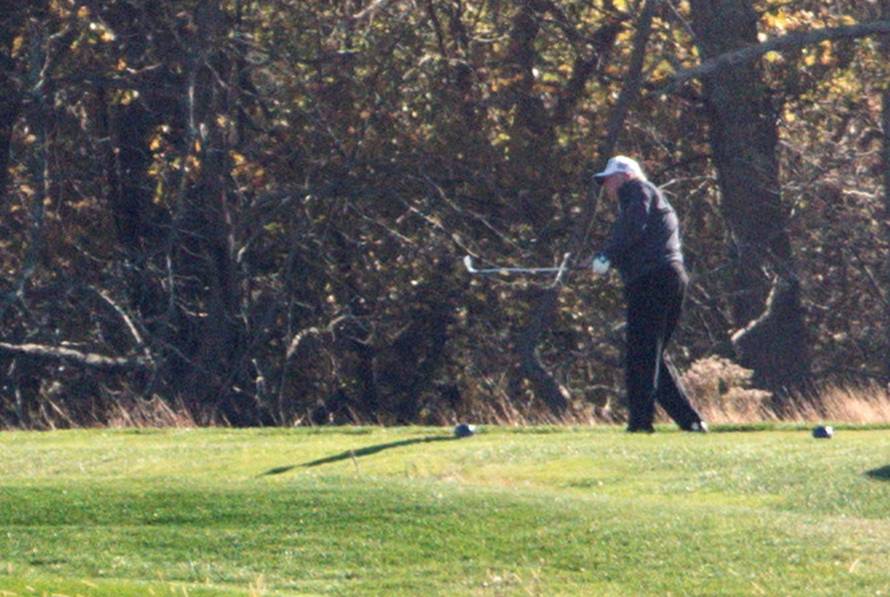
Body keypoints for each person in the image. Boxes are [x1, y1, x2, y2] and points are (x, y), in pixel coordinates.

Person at [591, 155, 707, 433]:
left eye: (610, 179)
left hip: (652, 280)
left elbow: (633, 226)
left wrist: (607, 255)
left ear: (626, 175)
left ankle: (640, 425)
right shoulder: (647, 196)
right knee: (651, 354)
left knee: (641, 355)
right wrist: (609, 258)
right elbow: (637, 237)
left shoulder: (638, 189)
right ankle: (690, 421)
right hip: (667, 277)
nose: (607, 186)